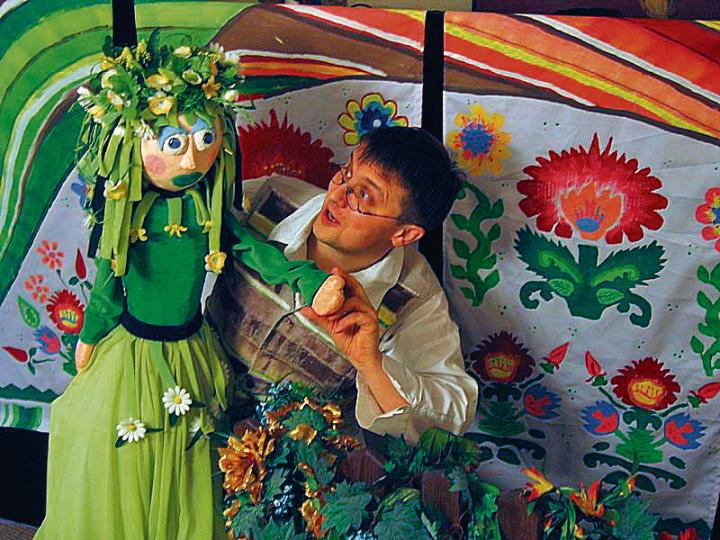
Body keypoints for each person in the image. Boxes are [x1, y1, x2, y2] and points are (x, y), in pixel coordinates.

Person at [36, 34, 342, 540]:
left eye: (204, 139)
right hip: (133, 355)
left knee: (185, 457)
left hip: (192, 349)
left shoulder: (208, 210)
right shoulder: (128, 215)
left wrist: (309, 282)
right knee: (128, 453)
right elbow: (109, 284)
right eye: (173, 143)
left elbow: (258, 250)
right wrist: (90, 335)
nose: (190, 161)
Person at [208, 126, 478, 442]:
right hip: (186, 405)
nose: (336, 196)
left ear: (404, 234)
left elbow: (450, 419)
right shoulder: (272, 198)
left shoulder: (414, 297)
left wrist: (371, 363)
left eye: (363, 196)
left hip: (293, 455)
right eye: (346, 174)